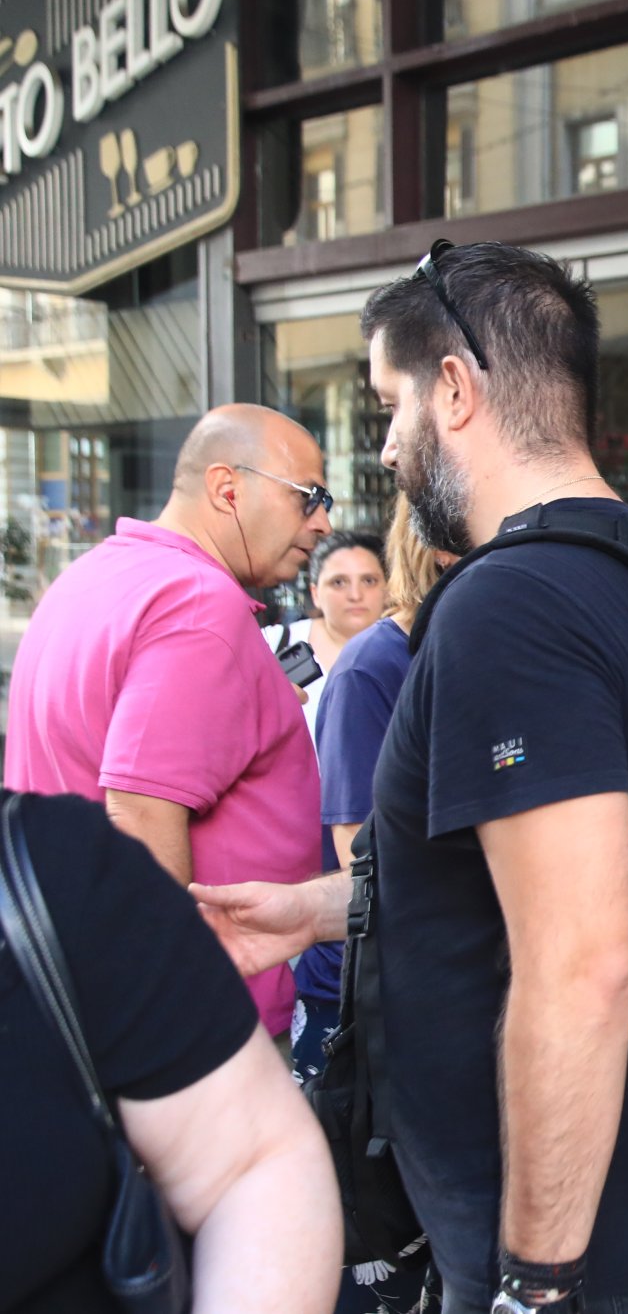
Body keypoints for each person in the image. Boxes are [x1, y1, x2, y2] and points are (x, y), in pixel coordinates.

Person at [194, 241, 628, 1314]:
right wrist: (319, 910)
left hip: (568, 1243)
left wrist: (535, 1282)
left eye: (391, 404)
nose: (387, 447)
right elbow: (575, 875)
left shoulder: (518, 602)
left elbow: (584, 963)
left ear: (454, 388)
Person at [5, 404, 331, 1036]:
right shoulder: (196, 604)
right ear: (227, 488)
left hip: (75, 984)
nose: (322, 522)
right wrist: (168, 1026)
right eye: (309, 497)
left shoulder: (94, 574)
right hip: (187, 1023)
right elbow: (140, 814)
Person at [1, 789, 341, 1312]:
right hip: (240, 1003)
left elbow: (250, 1163)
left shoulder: (56, 858)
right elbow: (141, 811)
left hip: (219, 1024)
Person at [290, 496, 450, 1314]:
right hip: (358, 994)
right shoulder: (369, 670)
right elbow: (361, 850)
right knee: (366, 1240)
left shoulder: (445, 650)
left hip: (428, 986)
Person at [264, 529, 388, 738]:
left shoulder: (408, 653)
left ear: (388, 589)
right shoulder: (271, 643)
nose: (355, 595)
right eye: (339, 582)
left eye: (369, 581)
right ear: (315, 593)